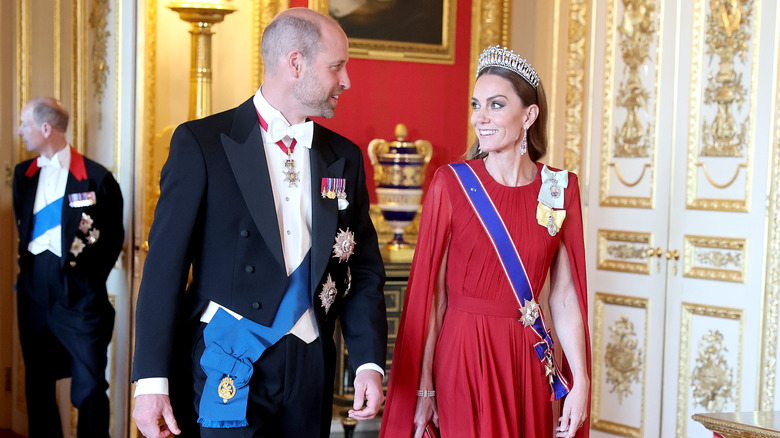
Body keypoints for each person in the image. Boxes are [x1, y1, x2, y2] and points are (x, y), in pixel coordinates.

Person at [131, 7, 388, 438]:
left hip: (309, 363)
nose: (346, 81)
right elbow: (164, 270)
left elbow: (360, 270)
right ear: (295, 63)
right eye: (337, 67)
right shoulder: (202, 143)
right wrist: (152, 381)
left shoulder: (344, 157)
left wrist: (368, 362)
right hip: (227, 355)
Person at [380, 46, 592, 438]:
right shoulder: (452, 183)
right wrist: (425, 387)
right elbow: (434, 298)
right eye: (477, 104)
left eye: (496, 104)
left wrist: (580, 380)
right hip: (463, 354)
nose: (480, 116)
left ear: (529, 115)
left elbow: (564, 297)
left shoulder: (561, 188)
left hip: (527, 357)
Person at [12, 97, 124, 437]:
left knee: (89, 388)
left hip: (80, 298)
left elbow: (111, 239)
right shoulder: (24, 174)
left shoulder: (96, 178)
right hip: (33, 293)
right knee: (38, 384)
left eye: (24, 124)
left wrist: (84, 282)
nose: (20, 132)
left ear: (46, 129)